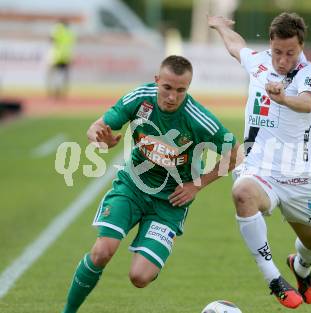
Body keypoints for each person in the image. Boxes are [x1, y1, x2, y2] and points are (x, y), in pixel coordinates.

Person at [60, 55, 239, 313]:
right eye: (167, 88)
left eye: (181, 90)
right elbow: (97, 127)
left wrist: (197, 185)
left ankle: (153, 251)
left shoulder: (198, 118)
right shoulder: (139, 98)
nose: (172, 97)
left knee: (140, 277)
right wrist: (99, 138)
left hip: (169, 202)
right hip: (132, 186)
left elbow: (235, 153)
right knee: (102, 252)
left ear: (188, 88)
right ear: (157, 81)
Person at [208, 12, 311, 309]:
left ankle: (300, 268)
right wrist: (221, 27)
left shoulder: (309, 73)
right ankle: (274, 277)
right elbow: (237, 47)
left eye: (290, 53)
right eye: (277, 51)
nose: (282, 59)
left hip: (300, 177)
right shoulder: (259, 62)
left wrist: (284, 98)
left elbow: (307, 102)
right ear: (270, 44)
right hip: (260, 169)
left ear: (301, 47)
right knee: (242, 193)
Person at [47, 20, 75, 99]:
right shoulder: (69, 32)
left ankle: (55, 92)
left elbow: (51, 39)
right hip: (66, 56)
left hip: (56, 56)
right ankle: (63, 92)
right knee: (64, 76)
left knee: (54, 75)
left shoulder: (58, 29)